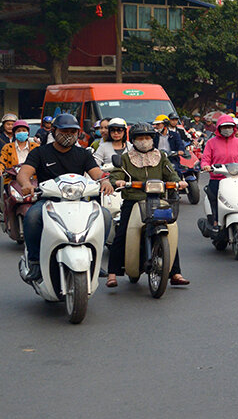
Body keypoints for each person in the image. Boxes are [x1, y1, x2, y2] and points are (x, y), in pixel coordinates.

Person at [14, 114, 113, 282]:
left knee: (105, 216)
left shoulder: (83, 154)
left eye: (73, 132)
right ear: (54, 131)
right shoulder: (40, 152)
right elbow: (24, 173)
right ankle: (35, 261)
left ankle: (94, 260)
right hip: (48, 201)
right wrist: (26, 184)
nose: (69, 135)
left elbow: (97, 173)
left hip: (79, 201)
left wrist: (105, 181)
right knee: (32, 217)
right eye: (64, 131)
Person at [106, 123, 188, 288]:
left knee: (170, 231)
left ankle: (176, 272)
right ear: (133, 140)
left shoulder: (161, 157)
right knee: (121, 233)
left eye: (148, 137)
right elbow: (116, 175)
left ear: (153, 139)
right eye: (140, 138)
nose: (144, 141)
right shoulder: (125, 158)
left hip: (158, 200)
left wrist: (178, 182)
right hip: (133, 200)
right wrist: (117, 181)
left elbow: (170, 173)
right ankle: (112, 273)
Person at [199, 115, 238, 228]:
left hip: (236, 179)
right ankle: (216, 220)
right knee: (214, 197)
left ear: (234, 128)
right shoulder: (211, 143)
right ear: (219, 128)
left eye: (230, 126)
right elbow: (205, 159)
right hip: (217, 179)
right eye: (224, 127)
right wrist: (206, 166)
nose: (227, 129)